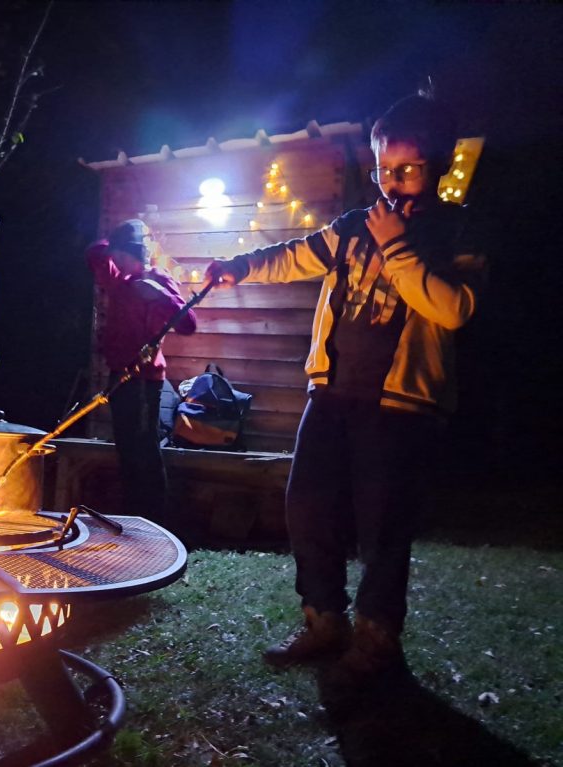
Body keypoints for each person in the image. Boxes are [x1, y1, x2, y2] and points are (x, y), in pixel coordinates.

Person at [205, 92, 485, 677]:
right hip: (332, 394)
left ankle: (377, 638)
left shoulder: (455, 229)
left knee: (384, 522)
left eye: (408, 169)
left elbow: (453, 309)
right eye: (384, 169)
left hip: (402, 403)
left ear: (437, 165)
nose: (393, 183)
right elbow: (296, 256)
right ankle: (322, 620)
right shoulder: (355, 226)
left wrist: (397, 248)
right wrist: (241, 266)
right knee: (308, 505)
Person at [87, 219, 197, 523]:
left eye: (119, 255)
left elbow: (189, 324)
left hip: (146, 380)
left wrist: (158, 294)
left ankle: (155, 521)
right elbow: (93, 253)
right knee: (126, 449)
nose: (113, 261)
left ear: (131, 254)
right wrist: (122, 235)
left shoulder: (158, 280)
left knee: (145, 451)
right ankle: (132, 518)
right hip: (118, 377)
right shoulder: (118, 279)